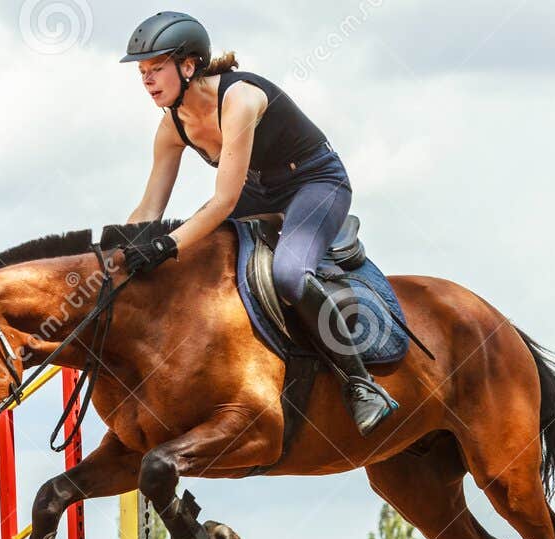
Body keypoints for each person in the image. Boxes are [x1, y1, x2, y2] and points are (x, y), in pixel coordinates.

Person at [118, 11, 398, 437]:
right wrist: (118, 253)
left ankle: (362, 385)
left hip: (315, 183)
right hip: (260, 190)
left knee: (288, 274)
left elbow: (223, 201)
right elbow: (149, 208)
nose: (147, 80)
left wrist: (166, 245)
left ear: (188, 66)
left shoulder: (241, 101)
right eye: (142, 72)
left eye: (156, 68)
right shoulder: (172, 126)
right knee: (198, 261)